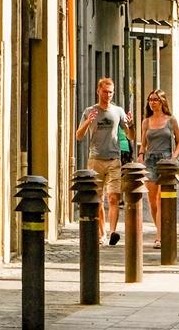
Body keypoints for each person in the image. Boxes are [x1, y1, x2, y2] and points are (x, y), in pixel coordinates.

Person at [76, 77, 134, 246]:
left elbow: (131, 136)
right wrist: (88, 121)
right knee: (98, 199)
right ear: (98, 91)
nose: (108, 95)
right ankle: (101, 233)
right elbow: (79, 136)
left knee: (114, 197)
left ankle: (112, 232)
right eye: (105, 91)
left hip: (114, 159)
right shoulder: (90, 111)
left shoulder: (118, 111)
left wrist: (131, 126)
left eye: (110, 92)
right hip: (95, 159)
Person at [137, 89, 179, 249]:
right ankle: (160, 228)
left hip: (165, 161)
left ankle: (159, 236)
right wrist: (141, 154)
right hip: (150, 161)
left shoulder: (171, 120)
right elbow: (143, 143)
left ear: (162, 101)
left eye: (155, 99)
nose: (152, 102)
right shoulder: (146, 121)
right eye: (150, 100)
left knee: (160, 199)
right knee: (152, 200)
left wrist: (174, 157)